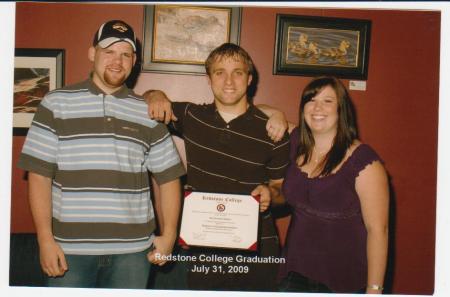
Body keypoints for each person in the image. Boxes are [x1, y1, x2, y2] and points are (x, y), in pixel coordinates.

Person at [17, 20, 185, 289]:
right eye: (109, 51)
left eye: (125, 54)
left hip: (133, 253)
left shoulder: (148, 111)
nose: (117, 61)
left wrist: (169, 236)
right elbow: (39, 177)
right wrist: (45, 239)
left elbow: (169, 180)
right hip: (69, 251)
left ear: (134, 61)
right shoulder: (56, 103)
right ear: (92, 53)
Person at [144, 43, 290, 291]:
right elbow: (147, 101)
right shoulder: (191, 116)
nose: (229, 81)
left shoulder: (273, 130)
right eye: (220, 72)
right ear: (209, 79)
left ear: (250, 79)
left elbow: (282, 192)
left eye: (238, 72)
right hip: (204, 247)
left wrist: (270, 195)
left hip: (259, 250)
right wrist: (155, 94)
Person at [277, 76, 389, 294]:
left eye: (328, 101)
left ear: (341, 110)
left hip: (343, 279)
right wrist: (277, 115)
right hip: (293, 272)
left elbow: (378, 231)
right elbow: (257, 110)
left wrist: (374, 290)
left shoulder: (363, 161)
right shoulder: (297, 141)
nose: (317, 107)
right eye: (311, 100)